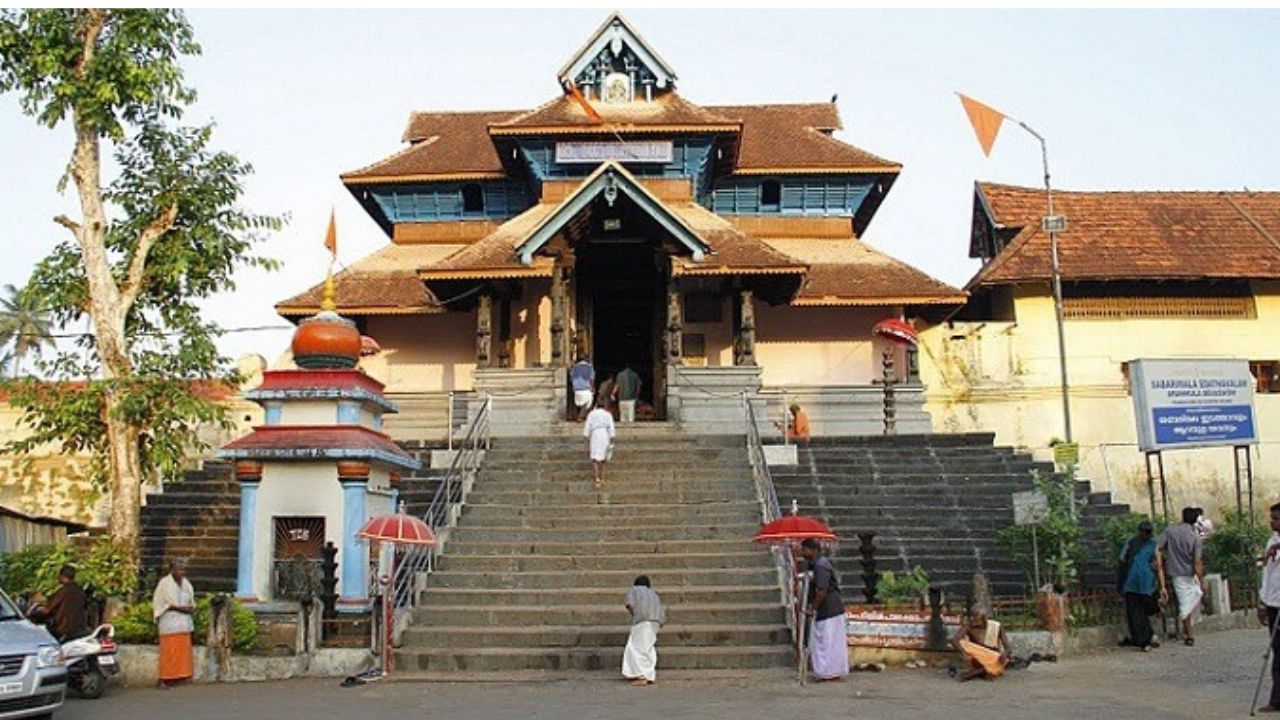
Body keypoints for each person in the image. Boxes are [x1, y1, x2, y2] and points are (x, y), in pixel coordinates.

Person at [800, 538, 848, 681]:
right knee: (829, 641)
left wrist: (812, 608)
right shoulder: (815, 564)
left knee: (826, 642)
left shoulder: (821, 566)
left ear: (813, 550)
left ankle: (827, 671)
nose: (803, 553)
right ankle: (830, 670)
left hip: (828, 608)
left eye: (805, 550)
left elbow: (822, 591)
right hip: (830, 608)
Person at [1158, 506, 1206, 646]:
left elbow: (1159, 546)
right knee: (1188, 604)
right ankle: (1189, 634)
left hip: (1177, 573)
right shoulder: (1195, 538)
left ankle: (1187, 631)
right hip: (1190, 574)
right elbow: (1197, 562)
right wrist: (1201, 580)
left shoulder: (1170, 530)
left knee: (1186, 604)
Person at [1117, 520, 1162, 651]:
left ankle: (1145, 639)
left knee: (1136, 613)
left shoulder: (1131, 543)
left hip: (1135, 583)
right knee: (1141, 612)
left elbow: (1122, 561)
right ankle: (1147, 638)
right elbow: (1157, 565)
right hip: (1144, 584)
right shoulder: (1152, 544)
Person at [152, 559, 196, 688]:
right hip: (169, 622)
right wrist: (181, 608)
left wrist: (189, 608)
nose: (182, 572)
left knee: (181, 652)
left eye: (184, 569)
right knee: (169, 653)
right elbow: (164, 604)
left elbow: (191, 601)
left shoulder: (186, 584)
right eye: (179, 569)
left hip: (183, 624)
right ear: (172, 570)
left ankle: (177, 676)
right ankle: (164, 678)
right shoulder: (164, 584)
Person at [1256, 502, 1280, 713]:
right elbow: (1268, 574)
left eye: (1276, 519)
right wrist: (1263, 602)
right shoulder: (1271, 542)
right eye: (1272, 518)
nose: (1272, 522)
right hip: (1274, 603)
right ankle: (1277, 698)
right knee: (1277, 651)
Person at [622, 575, 666, 686]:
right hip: (656, 621)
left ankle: (643, 676)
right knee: (648, 648)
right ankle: (648, 673)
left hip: (643, 620)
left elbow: (630, 604)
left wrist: (633, 615)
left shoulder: (634, 590)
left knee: (637, 648)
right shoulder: (653, 593)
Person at [953, 606, 1011, 681]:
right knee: (963, 643)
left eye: (975, 616)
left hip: (993, 657)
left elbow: (1008, 648)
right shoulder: (968, 627)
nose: (971, 618)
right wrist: (963, 653)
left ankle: (973, 674)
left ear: (984, 618)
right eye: (971, 616)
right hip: (977, 658)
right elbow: (955, 640)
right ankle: (985, 671)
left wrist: (1005, 653)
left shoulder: (997, 626)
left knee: (998, 660)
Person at [44, 565, 88, 642]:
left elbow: (47, 610)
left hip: (63, 629)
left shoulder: (63, 591)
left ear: (62, 576)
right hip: (80, 627)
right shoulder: (81, 591)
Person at [583, 402, 615, 488]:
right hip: (604, 434)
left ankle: (597, 478)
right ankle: (602, 478)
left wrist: (586, 437)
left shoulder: (592, 414)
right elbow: (611, 427)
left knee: (595, 458)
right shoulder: (607, 414)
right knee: (603, 458)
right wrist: (612, 439)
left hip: (595, 434)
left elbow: (587, 426)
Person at [570, 355, 595, 421]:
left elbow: (571, 378)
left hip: (576, 388)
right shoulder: (589, 367)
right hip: (586, 388)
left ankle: (575, 416)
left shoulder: (574, 367)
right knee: (588, 402)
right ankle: (581, 416)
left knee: (578, 403)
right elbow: (591, 379)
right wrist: (592, 388)